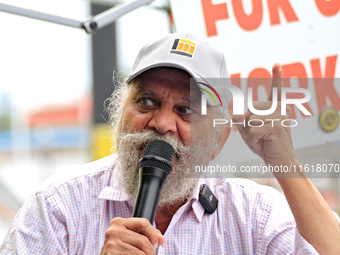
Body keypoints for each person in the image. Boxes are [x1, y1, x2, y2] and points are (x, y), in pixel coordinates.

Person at [1, 32, 340, 255]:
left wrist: (285, 163)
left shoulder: (256, 214)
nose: (162, 124)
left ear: (219, 138)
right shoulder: (58, 206)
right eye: (146, 102)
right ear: (120, 112)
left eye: (186, 110)